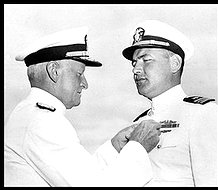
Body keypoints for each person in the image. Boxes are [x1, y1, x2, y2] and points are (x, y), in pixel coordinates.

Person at [4, 26, 161, 187]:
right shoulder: (43, 122)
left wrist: (113, 148)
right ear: (53, 71)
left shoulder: (31, 114)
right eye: (79, 74)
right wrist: (138, 147)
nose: (84, 84)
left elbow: (82, 175)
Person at [122, 20, 218, 187]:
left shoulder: (202, 114)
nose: (135, 69)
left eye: (146, 60)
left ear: (175, 63)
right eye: (134, 62)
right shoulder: (138, 123)